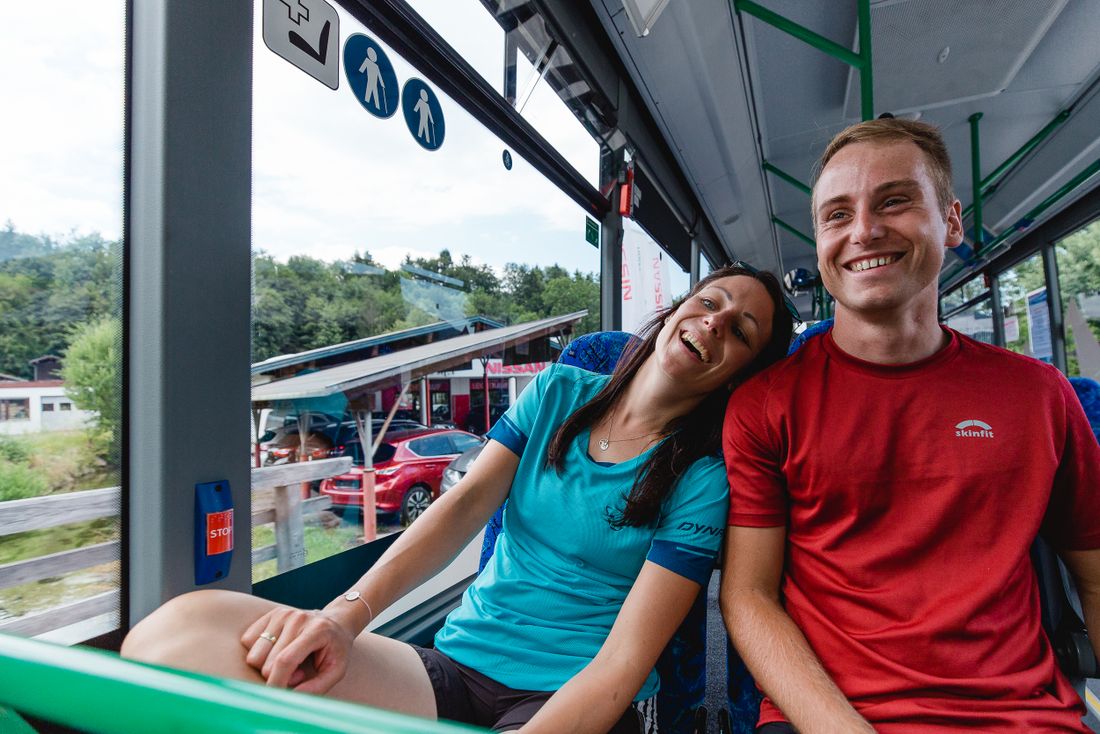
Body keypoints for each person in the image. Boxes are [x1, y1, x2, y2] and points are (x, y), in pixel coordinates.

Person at [122, 264, 794, 733]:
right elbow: (465, 507)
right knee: (182, 632)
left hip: (574, 700)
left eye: (742, 331)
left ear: (742, 373)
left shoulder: (704, 476)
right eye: (711, 302)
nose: (716, 323)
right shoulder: (561, 391)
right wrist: (342, 618)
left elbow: (622, 666)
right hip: (456, 666)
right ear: (677, 309)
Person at [720, 117, 1100, 733]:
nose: (864, 230)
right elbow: (748, 596)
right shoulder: (766, 406)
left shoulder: (1040, 396)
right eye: (836, 215)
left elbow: (1093, 571)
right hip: (829, 718)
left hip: (1025, 717)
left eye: (894, 201)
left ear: (951, 222)